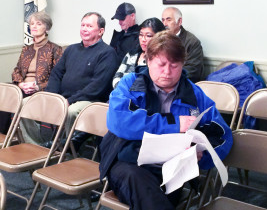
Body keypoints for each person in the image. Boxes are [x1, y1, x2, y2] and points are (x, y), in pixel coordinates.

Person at [99, 31, 233, 210]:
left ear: (182, 64)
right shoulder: (130, 84)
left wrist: (201, 155)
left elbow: (222, 135)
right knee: (142, 187)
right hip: (127, 163)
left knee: (155, 201)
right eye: (161, 65)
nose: (167, 72)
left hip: (172, 170)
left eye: (174, 65)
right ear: (148, 61)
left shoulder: (194, 94)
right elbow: (119, 121)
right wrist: (174, 124)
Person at [22, 12, 120, 146]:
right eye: (82, 25)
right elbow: (56, 74)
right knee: (25, 103)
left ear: (101, 31)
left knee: (71, 111)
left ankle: (67, 150)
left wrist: (70, 101)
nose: (84, 29)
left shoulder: (107, 53)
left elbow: (97, 87)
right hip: (63, 97)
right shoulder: (71, 49)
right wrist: (52, 96)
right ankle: (36, 146)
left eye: (89, 26)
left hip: (89, 101)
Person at [0, 12, 62, 137]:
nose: (34, 26)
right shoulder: (26, 49)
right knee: (3, 94)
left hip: (41, 90)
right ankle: (3, 137)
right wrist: (21, 84)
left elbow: (58, 77)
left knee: (15, 102)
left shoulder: (55, 49)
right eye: (32, 24)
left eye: (38, 24)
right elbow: (16, 70)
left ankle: (17, 138)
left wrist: (38, 86)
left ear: (47, 28)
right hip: (22, 88)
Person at [112, 17, 165, 88]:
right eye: (141, 35)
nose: (143, 39)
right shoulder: (131, 54)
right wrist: (122, 90)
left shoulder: (161, 59)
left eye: (148, 36)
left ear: (159, 37)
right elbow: (117, 76)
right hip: (121, 94)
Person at [162, 7, 204, 83]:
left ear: (179, 21)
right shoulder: (159, 39)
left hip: (182, 85)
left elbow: (193, 71)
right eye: (163, 20)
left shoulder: (192, 42)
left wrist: (169, 78)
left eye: (168, 20)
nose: (165, 24)